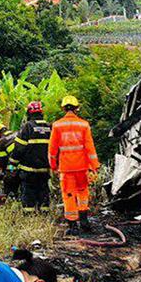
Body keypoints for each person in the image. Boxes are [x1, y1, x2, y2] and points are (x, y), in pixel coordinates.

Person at [48, 95, 99, 230]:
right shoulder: (84, 125)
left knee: (68, 194)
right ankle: (84, 220)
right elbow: (90, 147)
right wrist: (94, 166)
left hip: (66, 168)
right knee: (82, 192)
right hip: (82, 167)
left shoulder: (57, 125)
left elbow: (52, 150)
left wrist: (53, 165)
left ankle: (72, 224)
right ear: (77, 108)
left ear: (64, 108)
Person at [8, 101, 52, 213]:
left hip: (29, 169)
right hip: (45, 169)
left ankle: (29, 215)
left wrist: (12, 163)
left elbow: (19, 148)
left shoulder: (27, 127)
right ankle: (44, 213)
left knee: (28, 192)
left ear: (29, 112)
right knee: (43, 191)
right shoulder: (49, 127)